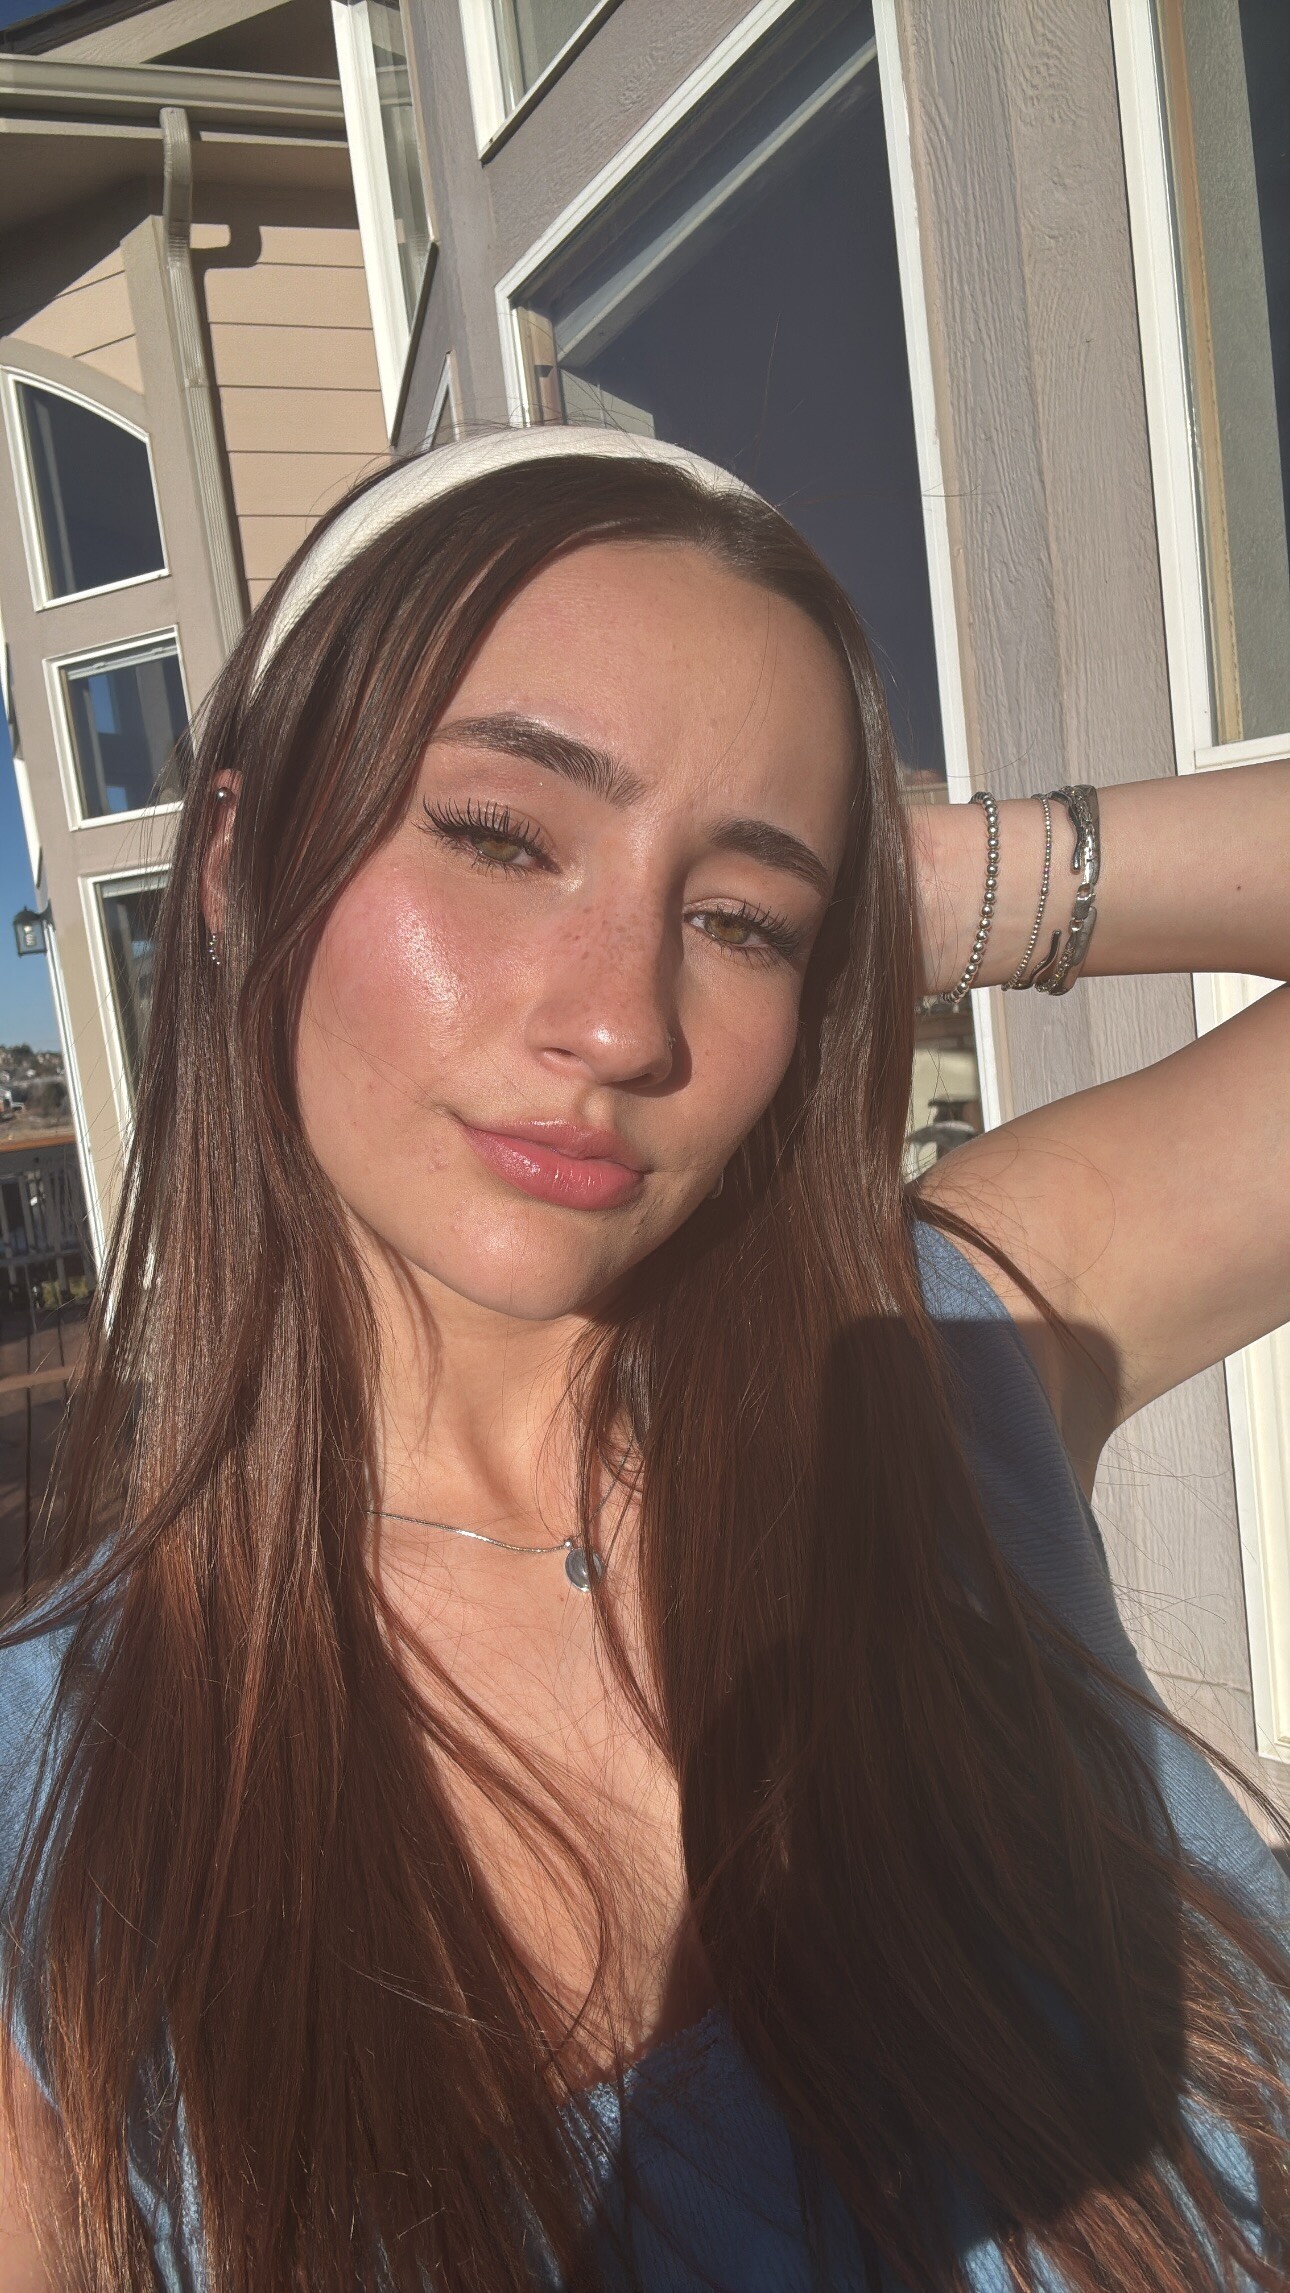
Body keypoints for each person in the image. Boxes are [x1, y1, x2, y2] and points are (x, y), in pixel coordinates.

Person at [0, 424, 1286, 2293]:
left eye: (739, 920)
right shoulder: (51, 1812)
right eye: (500, 836)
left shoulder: (933, 1361)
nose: (618, 1020)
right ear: (231, 860)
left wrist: (904, 885)